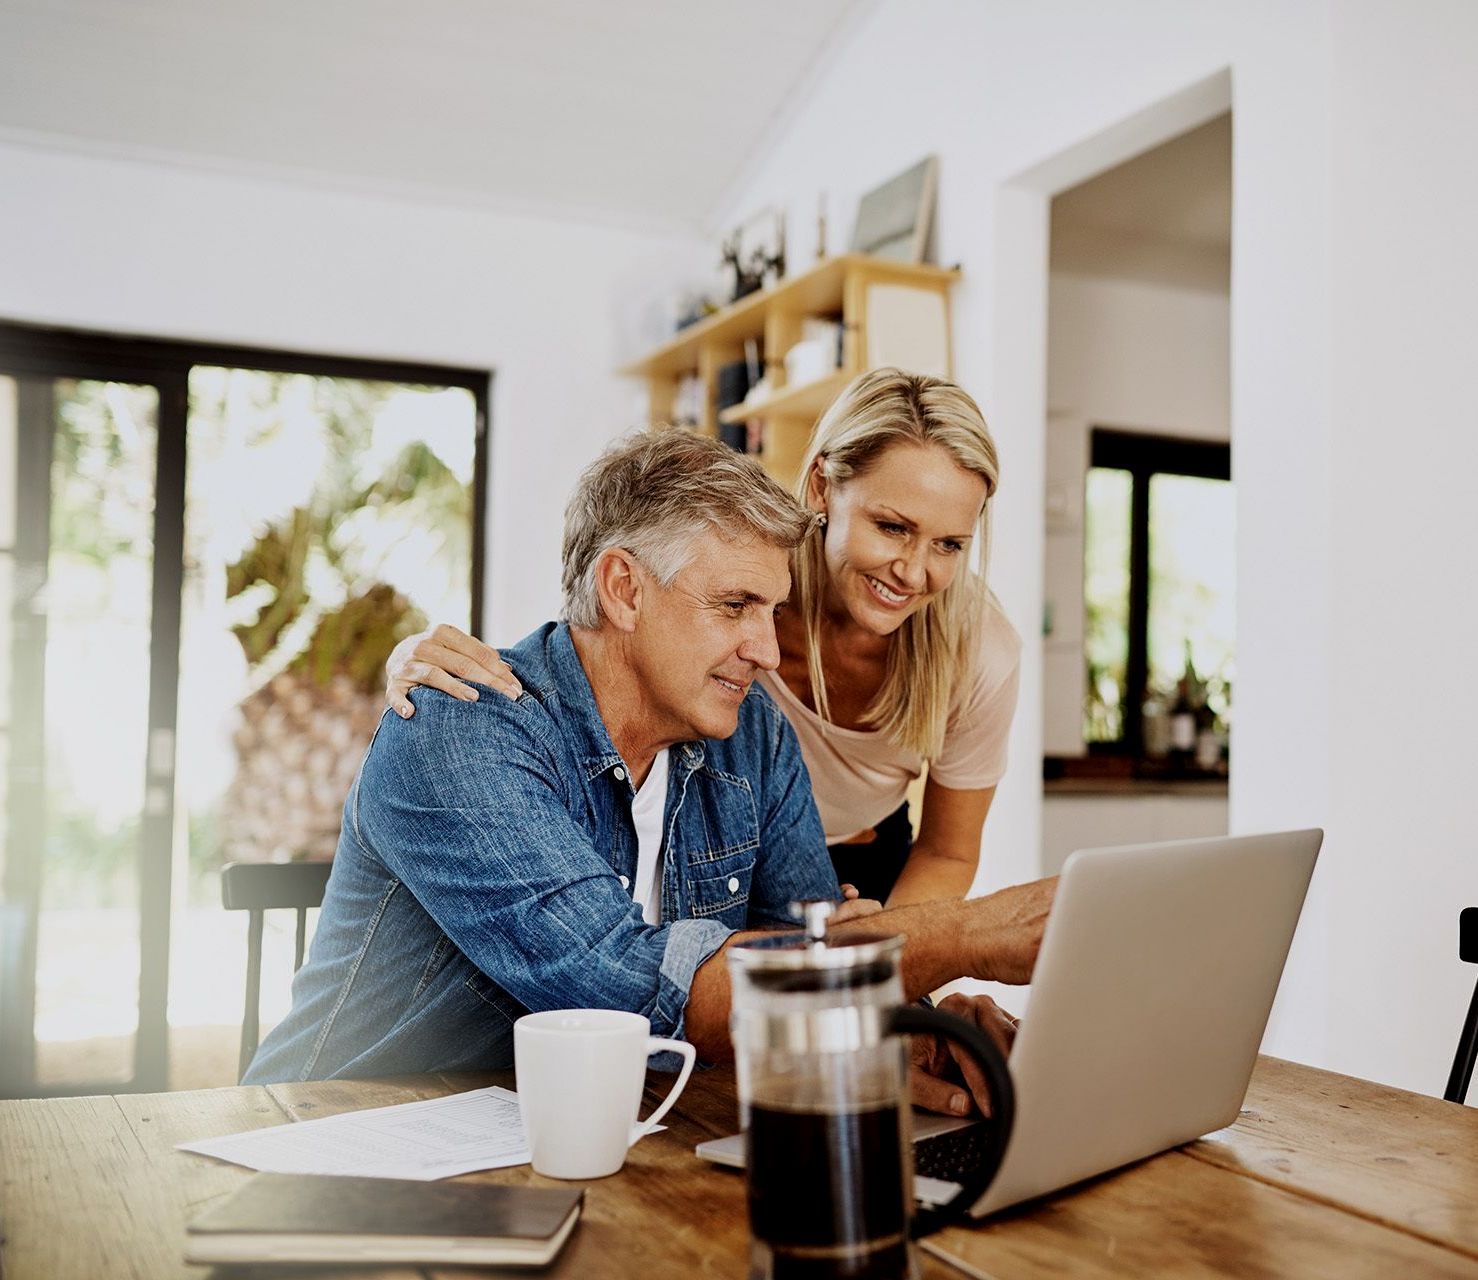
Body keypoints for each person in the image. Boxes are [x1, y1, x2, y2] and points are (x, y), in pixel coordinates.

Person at [246, 430, 1053, 1118]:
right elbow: (634, 989)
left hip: (585, 1140)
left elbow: (817, 945)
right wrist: (969, 936)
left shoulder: (754, 738)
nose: (768, 651)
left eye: (772, 610)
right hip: (336, 1143)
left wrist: (919, 1027)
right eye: (735, 606)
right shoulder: (460, 731)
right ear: (625, 589)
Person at [389, 369, 1020, 906]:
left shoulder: (978, 653)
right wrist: (427, 672)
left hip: (866, 871)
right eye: (890, 527)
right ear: (824, 486)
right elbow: (598, 636)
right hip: (708, 835)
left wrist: (895, 957)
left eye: (949, 545)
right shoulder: (747, 559)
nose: (913, 571)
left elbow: (947, 851)